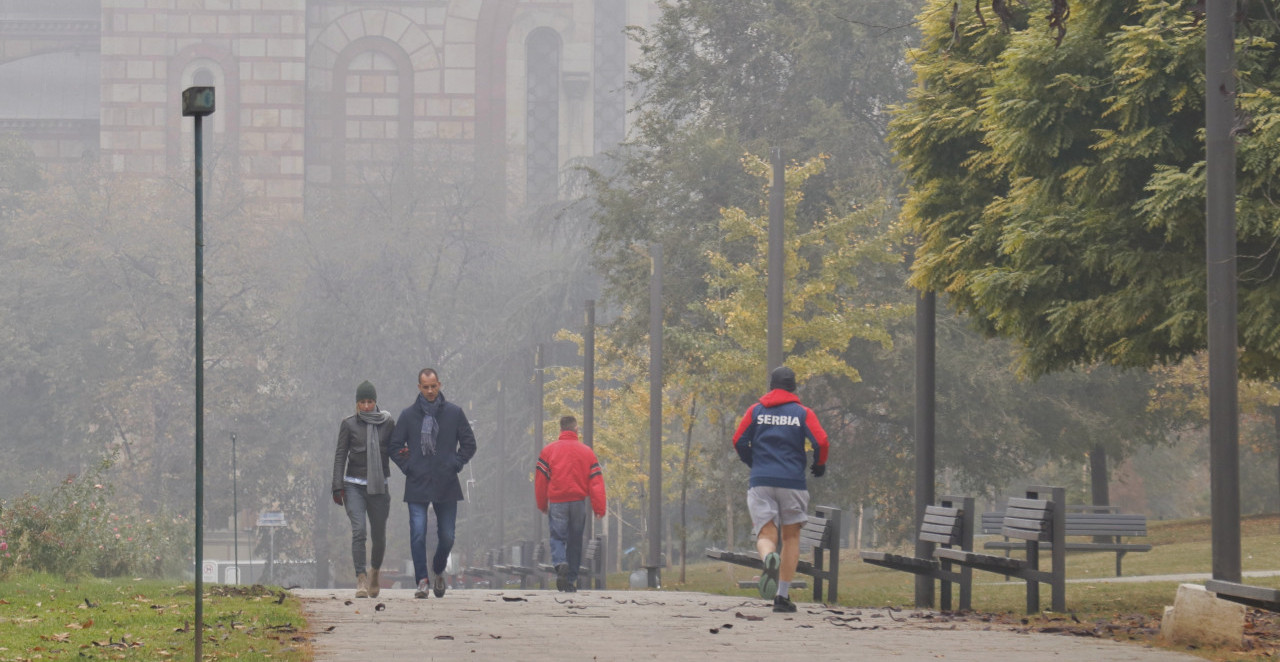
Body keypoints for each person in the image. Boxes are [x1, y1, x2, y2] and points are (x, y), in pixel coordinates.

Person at [731, 365, 829, 613]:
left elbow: (738, 439)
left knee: (765, 533)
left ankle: (768, 559)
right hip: (792, 482)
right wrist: (819, 464)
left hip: (761, 481)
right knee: (791, 537)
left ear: (771, 386)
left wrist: (753, 462)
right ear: (793, 387)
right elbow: (821, 441)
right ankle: (782, 597)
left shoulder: (756, 411)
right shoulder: (802, 413)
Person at [390, 368, 477, 599]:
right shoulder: (408, 416)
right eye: (425, 387)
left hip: (446, 482)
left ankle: (438, 569)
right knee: (417, 533)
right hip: (418, 483)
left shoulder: (454, 413)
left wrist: (455, 463)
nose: (430, 390)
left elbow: (469, 444)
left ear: (439, 384)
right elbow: (394, 446)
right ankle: (422, 581)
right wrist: (409, 467)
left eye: (433, 386)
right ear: (419, 387)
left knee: (447, 536)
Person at [331, 380, 396, 599]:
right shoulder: (348, 424)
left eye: (369, 401)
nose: (366, 406)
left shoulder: (387, 423)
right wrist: (337, 486)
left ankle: (374, 572)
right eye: (362, 402)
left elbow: (396, 450)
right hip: (353, 486)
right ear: (357, 404)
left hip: (379, 488)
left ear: (375, 402)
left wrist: (410, 461)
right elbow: (340, 455)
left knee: (379, 536)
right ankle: (360, 577)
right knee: (359, 531)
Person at [535, 415, 607, 592]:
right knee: (575, 542)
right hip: (578, 503)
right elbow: (596, 482)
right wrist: (599, 508)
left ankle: (560, 564)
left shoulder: (549, 451)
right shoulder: (587, 452)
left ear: (560, 430)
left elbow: (540, 481)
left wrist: (542, 503)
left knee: (558, 537)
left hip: (558, 502)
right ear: (576, 430)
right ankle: (570, 580)